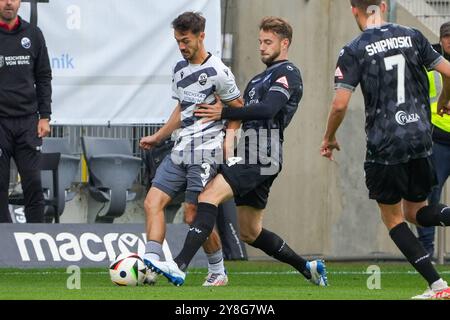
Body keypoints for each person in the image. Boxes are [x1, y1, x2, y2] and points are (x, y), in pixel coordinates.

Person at [144, 16, 328, 287]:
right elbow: (242, 111)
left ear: (284, 43)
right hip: (254, 152)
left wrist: (225, 113)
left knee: (206, 197)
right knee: (250, 231)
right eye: (260, 42)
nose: (262, 47)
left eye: (268, 42)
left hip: (261, 151)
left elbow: (267, 110)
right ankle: (307, 267)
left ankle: (179, 264)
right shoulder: (256, 80)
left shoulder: (287, 72)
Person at [320, 0, 450, 299]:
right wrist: (444, 98)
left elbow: (340, 104)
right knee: (417, 212)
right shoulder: (413, 36)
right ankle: (438, 286)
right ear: (382, 5)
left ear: (355, 10)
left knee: (394, 219)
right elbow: (449, 71)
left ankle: (438, 286)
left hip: (386, 144)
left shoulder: (353, 49)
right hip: (421, 138)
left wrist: (328, 137)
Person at [139, 11, 243, 287]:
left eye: (186, 41)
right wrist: (160, 136)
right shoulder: (179, 70)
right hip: (179, 149)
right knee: (152, 203)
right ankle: (151, 265)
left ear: (201, 36)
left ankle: (218, 270)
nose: (182, 47)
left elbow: (239, 109)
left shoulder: (219, 72)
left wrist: (228, 141)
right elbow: (181, 108)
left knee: (193, 215)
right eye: (178, 42)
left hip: (205, 152)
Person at [0, 0, 52, 223]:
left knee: (32, 183)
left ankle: (37, 238)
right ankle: (4, 242)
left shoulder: (33, 33)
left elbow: (43, 77)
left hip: (27, 123)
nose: (8, 3)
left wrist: (45, 116)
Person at [417, 22, 450, 259]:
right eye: (446, 37)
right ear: (441, 39)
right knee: (429, 193)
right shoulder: (429, 63)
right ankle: (426, 249)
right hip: (437, 139)